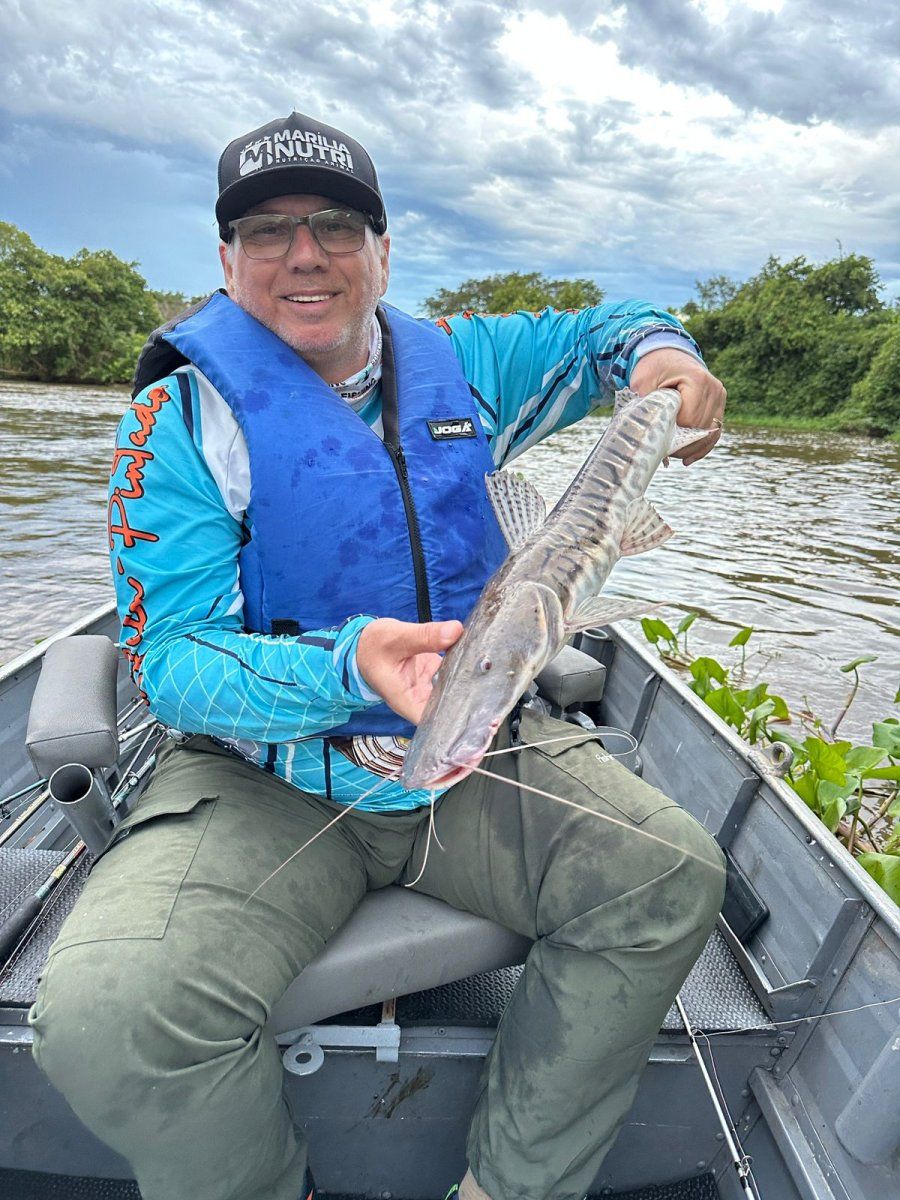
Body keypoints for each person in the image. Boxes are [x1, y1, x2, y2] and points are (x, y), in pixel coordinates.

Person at [30, 112, 727, 1200]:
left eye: (337, 226)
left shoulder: (466, 363)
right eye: (268, 231)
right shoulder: (180, 418)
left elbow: (616, 327)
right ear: (227, 259)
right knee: (108, 1018)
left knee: (671, 875)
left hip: (479, 749)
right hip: (264, 778)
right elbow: (170, 662)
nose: (305, 255)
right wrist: (347, 669)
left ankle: (508, 1186)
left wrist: (665, 358)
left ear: (383, 250)